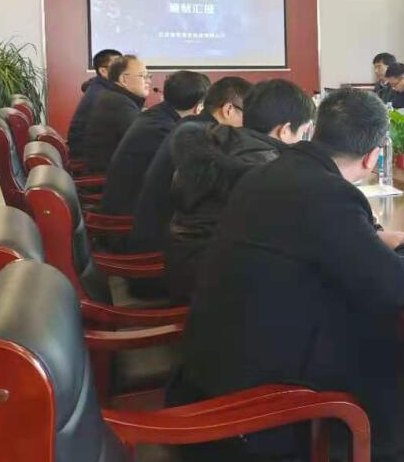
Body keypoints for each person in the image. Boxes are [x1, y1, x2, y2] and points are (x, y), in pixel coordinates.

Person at [167, 88, 404, 462]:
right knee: (396, 361)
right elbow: (392, 285)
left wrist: (372, 238)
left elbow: (311, 237)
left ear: (314, 131)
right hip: (253, 416)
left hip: (207, 380)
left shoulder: (269, 172)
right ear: (373, 157)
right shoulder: (329, 193)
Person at [164, 79, 315, 303]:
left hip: (187, 266)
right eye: (303, 132)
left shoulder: (222, 141)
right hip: (211, 288)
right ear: (284, 131)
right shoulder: (264, 167)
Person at [127, 76, 253, 257]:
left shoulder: (191, 125)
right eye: (248, 115)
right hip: (160, 248)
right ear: (228, 109)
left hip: (154, 232)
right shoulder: (204, 137)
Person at [100, 70, 210, 220]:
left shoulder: (156, 115)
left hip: (123, 202)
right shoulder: (167, 131)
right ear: (199, 107)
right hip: (129, 215)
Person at [82, 55, 152, 174]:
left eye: (149, 76)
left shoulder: (114, 97)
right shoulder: (120, 104)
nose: (148, 81)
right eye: (143, 76)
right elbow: (144, 144)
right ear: (124, 79)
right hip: (111, 177)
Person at [67, 48, 122, 158]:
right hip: (88, 155)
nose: (124, 71)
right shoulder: (104, 96)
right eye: (119, 67)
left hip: (88, 148)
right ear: (103, 71)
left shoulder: (100, 86)